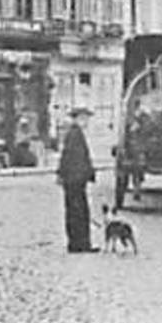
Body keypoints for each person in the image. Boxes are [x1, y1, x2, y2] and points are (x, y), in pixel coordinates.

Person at [57, 106, 98, 253]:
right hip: (75, 180)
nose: (87, 121)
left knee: (76, 211)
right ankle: (80, 244)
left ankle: (77, 243)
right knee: (78, 212)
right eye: (85, 118)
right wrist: (85, 173)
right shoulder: (75, 134)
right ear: (79, 118)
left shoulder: (75, 133)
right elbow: (73, 158)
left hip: (73, 179)